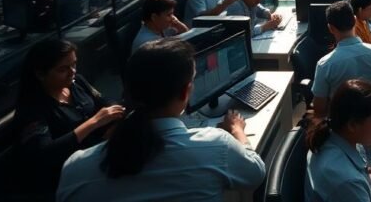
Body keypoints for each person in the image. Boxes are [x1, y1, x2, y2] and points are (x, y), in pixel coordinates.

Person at [57, 39, 266, 201]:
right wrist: (237, 131)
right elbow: (255, 173)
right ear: (186, 91)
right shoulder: (217, 145)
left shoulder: (75, 167)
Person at [13, 38, 124, 198]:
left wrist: (115, 121)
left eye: (74, 64)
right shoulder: (32, 108)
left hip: (97, 154)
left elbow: (104, 100)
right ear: (40, 74)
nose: (72, 72)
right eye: (63, 69)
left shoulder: (76, 83)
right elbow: (44, 155)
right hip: (69, 174)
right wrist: (94, 123)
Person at [312, 1, 371, 118]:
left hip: (342, 126)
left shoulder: (325, 65)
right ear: (355, 20)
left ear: (330, 28)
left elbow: (319, 110)